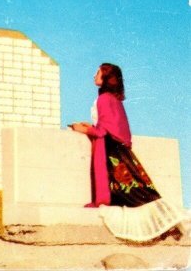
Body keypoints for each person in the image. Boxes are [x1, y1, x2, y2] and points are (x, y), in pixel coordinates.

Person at [71, 63, 189, 241]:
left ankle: (168, 223)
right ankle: (167, 223)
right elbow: (112, 125)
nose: (94, 75)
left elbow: (103, 130)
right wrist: (92, 126)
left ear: (105, 77)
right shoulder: (114, 99)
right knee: (139, 194)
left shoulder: (104, 99)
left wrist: (83, 129)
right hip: (120, 149)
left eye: (97, 72)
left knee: (131, 196)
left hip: (110, 150)